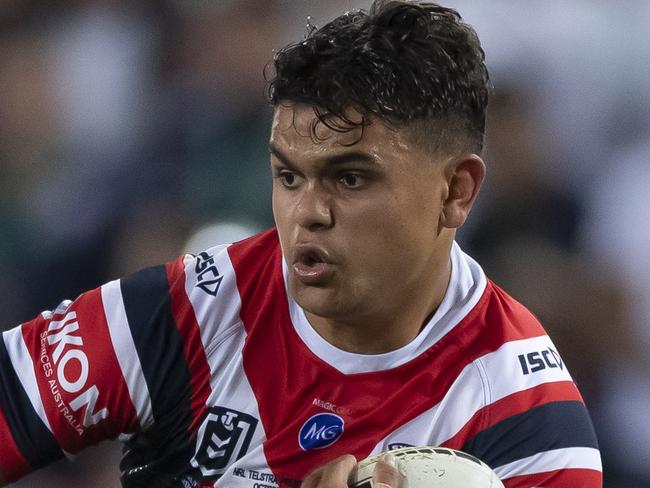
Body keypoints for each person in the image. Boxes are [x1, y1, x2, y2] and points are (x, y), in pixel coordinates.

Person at [0, 1, 602, 487]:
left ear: (455, 192)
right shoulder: (198, 306)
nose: (307, 214)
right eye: (288, 176)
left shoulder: (529, 423)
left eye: (350, 178)